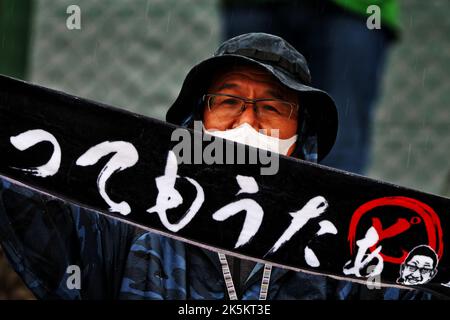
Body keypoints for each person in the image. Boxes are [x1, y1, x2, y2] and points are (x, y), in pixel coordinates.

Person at [0, 33, 430, 299]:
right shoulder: (130, 220)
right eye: (228, 102)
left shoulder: (343, 251)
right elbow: (33, 209)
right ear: (198, 119)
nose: (247, 120)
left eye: (273, 105)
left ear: (302, 135)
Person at [220, 0, 398, 174]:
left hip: (359, 9)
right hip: (253, 6)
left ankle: (334, 200)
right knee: (240, 136)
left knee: (343, 135)